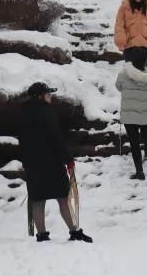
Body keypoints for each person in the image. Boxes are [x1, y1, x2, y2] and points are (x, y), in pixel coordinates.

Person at [18, 81, 92, 243]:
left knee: (38, 199)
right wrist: (68, 159)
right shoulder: (46, 111)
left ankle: (42, 235)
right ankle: (74, 232)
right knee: (62, 197)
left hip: (32, 163)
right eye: (48, 94)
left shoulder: (22, 112)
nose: (50, 97)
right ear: (40, 96)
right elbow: (55, 138)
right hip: (51, 162)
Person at [115, 54, 147, 181]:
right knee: (144, 126)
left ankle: (139, 172)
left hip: (129, 112)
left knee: (134, 142)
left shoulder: (123, 74)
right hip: (144, 110)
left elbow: (118, 87)